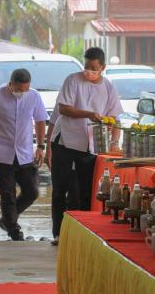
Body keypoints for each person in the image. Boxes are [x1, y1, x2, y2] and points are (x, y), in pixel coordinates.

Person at [51, 47, 123, 245]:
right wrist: (89, 114)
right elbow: (63, 108)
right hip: (65, 141)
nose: (88, 71)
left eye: (93, 68)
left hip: (91, 146)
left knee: (86, 191)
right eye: (86, 66)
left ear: (103, 67)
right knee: (60, 189)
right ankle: (58, 232)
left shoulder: (108, 87)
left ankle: (82, 232)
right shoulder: (73, 80)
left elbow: (115, 118)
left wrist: (114, 141)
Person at [0, 69, 48, 241]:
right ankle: (14, 230)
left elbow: (40, 120)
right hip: (1, 153)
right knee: (8, 194)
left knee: (31, 192)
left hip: (25, 153)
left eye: (25, 89)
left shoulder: (34, 96)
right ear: (11, 84)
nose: (22, 93)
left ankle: (7, 220)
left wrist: (41, 146)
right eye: (19, 89)